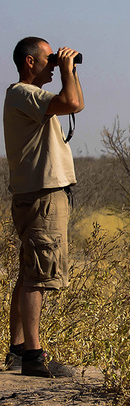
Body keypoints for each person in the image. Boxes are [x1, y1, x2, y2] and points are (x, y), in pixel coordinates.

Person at [2, 36, 84, 377]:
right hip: (42, 195)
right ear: (29, 62)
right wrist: (66, 70)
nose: (53, 64)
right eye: (48, 59)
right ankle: (34, 357)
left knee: (27, 273)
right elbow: (74, 103)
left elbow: (73, 100)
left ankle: (19, 351)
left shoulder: (32, 98)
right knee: (38, 276)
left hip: (36, 194)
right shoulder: (22, 93)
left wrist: (69, 69)